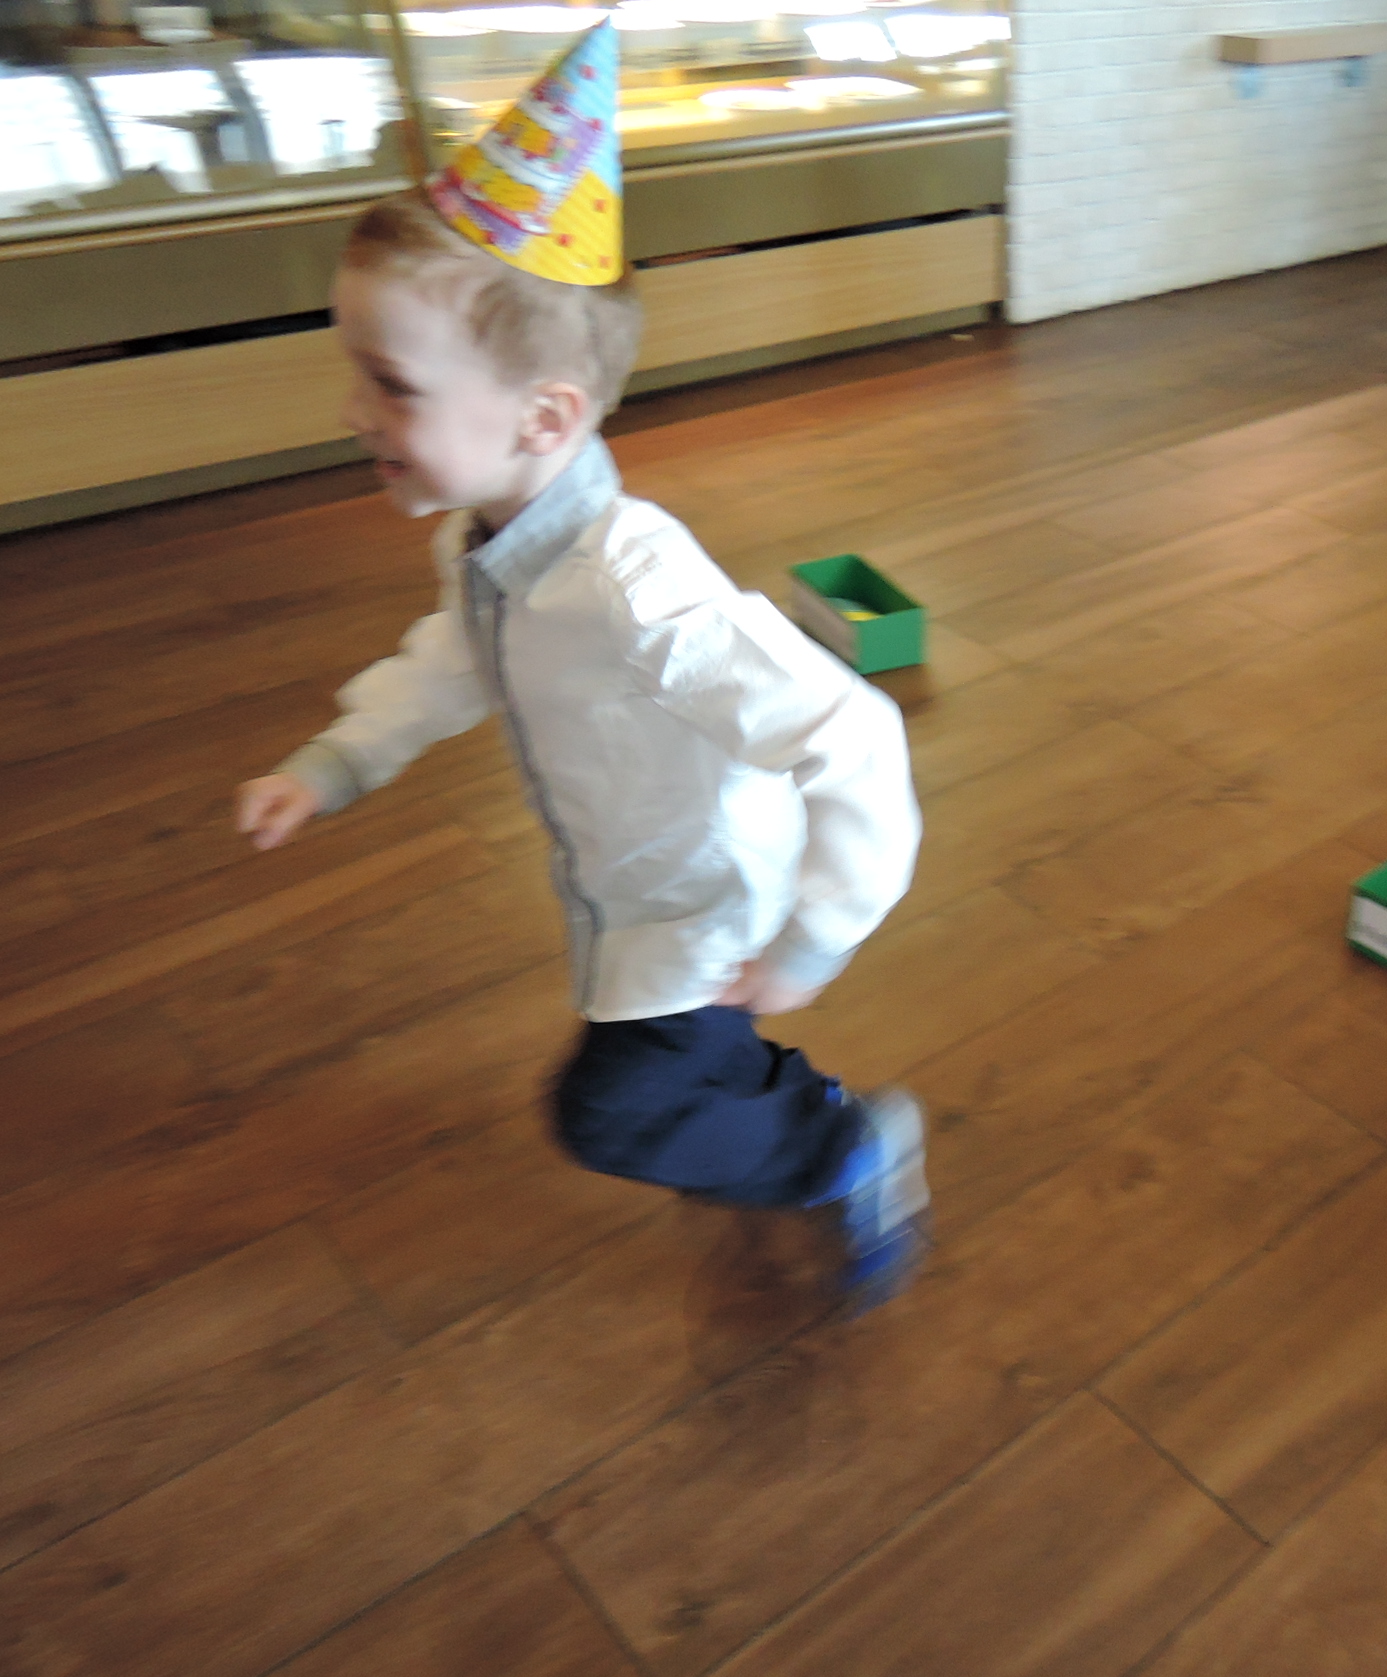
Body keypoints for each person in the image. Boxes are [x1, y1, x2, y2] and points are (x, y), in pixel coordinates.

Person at [233, 23, 928, 1312]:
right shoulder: (488, 543)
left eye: (390, 385)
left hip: (698, 903)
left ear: (543, 416)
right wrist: (337, 762)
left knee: (607, 1114)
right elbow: (454, 660)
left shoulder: (633, 584)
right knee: (680, 1074)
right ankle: (762, 1114)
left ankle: (844, 1149)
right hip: (627, 884)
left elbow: (854, 735)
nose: (352, 413)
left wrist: (815, 938)